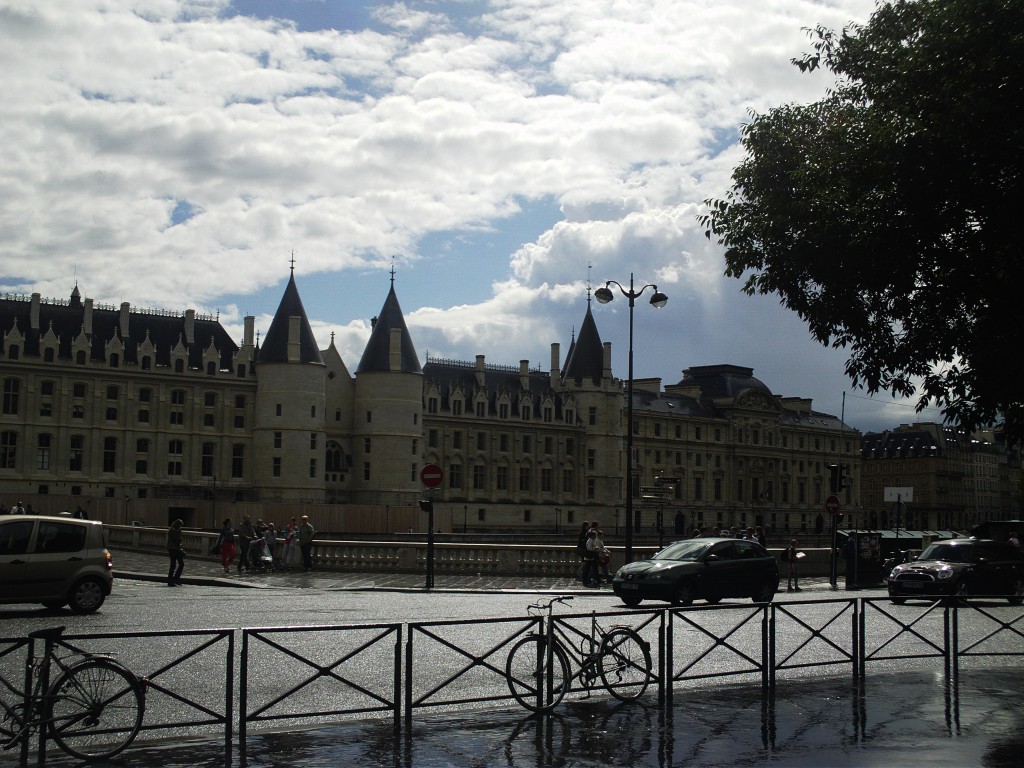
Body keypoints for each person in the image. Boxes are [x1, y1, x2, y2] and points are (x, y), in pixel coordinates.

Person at [166, 519, 185, 587]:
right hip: (174, 549)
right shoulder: (174, 531)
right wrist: (179, 532)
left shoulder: (172, 530)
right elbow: (178, 540)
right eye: (180, 526)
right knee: (180, 564)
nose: (181, 527)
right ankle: (174, 580)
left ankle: (172, 580)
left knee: (174, 565)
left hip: (172, 549)